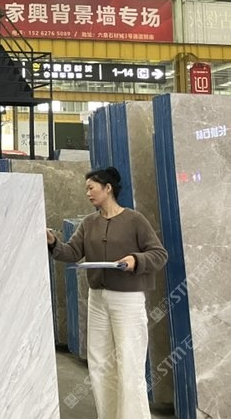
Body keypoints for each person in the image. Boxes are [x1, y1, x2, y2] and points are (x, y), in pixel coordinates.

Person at [47, 167, 167, 419]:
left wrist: (136, 260)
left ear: (108, 188)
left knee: (129, 363)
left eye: (91, 187)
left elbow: (159, 254)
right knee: (100, 362)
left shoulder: (134, 220)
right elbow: (71, 252)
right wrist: (53, 243)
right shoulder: (89, 223)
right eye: (86, 189)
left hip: (127, 299)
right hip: (97, 299)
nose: (87, 193)